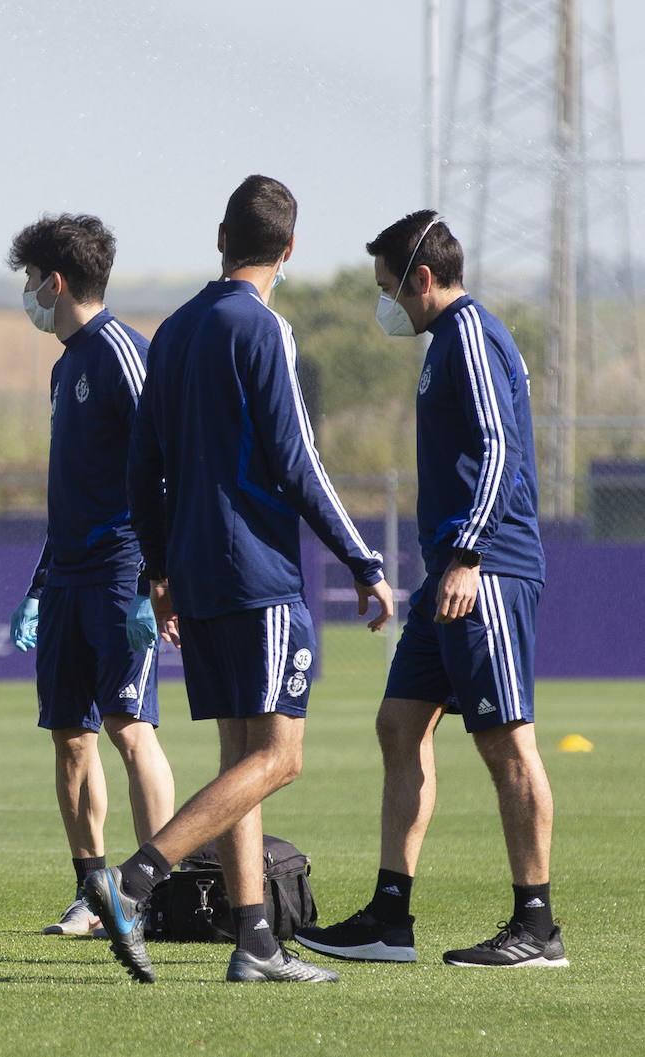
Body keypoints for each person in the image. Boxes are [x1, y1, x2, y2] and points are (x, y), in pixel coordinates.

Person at [83, 175, 394, 984]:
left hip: (194, 573)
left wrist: (158, 569)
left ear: (220, 237)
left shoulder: (175, 330)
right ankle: (135, 879)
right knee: (279, 757)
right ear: (289, 250)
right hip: (255, 574)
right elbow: (299, 462)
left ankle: (254, 937)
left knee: (237, 758)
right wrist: (363, 560)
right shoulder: (262, 329)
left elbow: (140, 466)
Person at [294, 212, 565, 968]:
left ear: (421, 278)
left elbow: (502, 445)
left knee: (506, 742)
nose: (387, 307)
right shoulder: (442, 342)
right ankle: (389, 917)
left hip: (486, 570)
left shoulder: (470, 334)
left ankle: (538, 926)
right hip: (448, 570)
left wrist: (471, 555)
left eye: (389, 290)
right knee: (399, 723)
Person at [5, 213, 175, 937]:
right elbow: (70, 486)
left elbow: (164, 468)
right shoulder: (64, 363)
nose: (27, 294)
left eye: (29, 280)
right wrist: (42, 584)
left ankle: (157, 894)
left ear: (57, 280)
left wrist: (157, 575)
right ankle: (95, 891)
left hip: (120, 569)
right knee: (70, 736)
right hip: (69, 576)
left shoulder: (122, 353)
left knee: (129, 728)